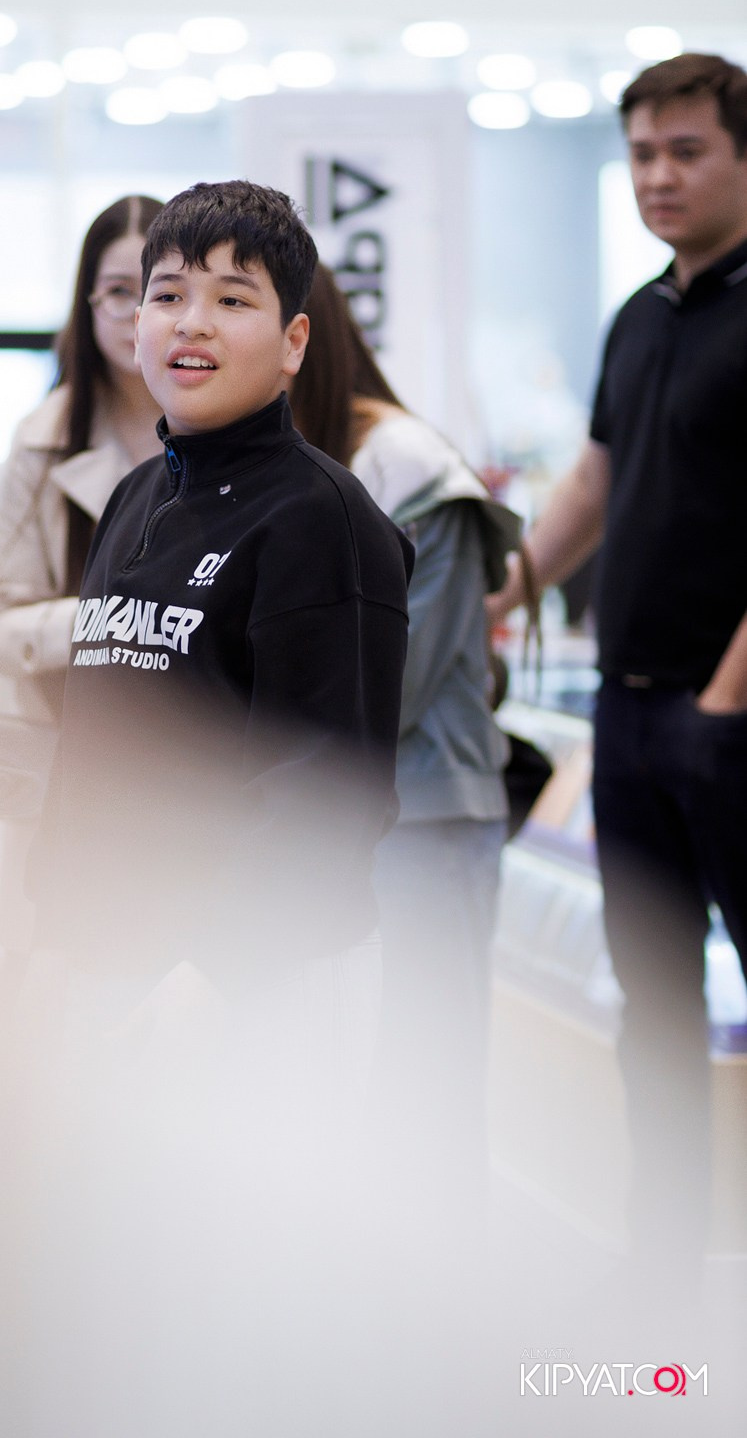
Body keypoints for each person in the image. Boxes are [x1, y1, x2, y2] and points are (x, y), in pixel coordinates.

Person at [19, 182, 413, 1437]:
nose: (187, 323)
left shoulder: (326, 524)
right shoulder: (136, 498)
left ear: (292, 341)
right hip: (110, 962)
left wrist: (203, 978)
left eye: (231, 299)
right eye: (165, 293)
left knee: (241, 1308)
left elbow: (327, 794)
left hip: (244, 986)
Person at [488, 53, 747, 1300]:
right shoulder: (640, 315)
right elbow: (593, 478)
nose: (657, 176)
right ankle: (663, 1264)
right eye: (641, 153)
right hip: (631, 719)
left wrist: (724, 702)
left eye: (684, 151)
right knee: (651, 1008)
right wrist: (504, 587)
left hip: (727, 724)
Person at [290, 262, 519, 1255]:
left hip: (422, 818)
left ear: (300, 334)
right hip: (329, 822)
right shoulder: (284, 462)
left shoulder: (410, 469)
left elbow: (394, 682)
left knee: (425, 1083)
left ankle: (440, 1299)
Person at [0, 193, 164, 953]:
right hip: (69, 763)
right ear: (86, 303)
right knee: (65, 976)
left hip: (208, 767)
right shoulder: (44, 438)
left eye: (159, 290)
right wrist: (117, 621)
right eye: (116, 291)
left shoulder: (236, 429)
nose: (136, 314)